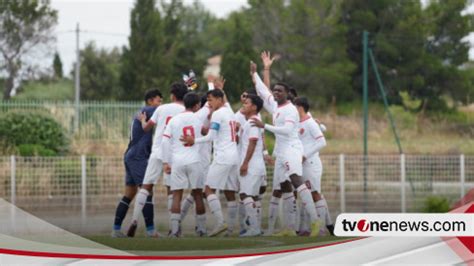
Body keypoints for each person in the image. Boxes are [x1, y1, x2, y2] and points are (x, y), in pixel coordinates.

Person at [250, 54, 321, 237]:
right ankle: (289, 228)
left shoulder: (290, 109)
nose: (275, 93)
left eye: (279, 91)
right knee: (284, 186)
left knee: (296, 180)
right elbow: (263, 92)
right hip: (280, 152)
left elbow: (287, 130)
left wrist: (263, 126)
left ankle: (315, 221)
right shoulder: (275, 106)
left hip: (291, 149)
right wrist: (255, 74)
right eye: (275, 90)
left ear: (287, 94)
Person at [127, 83, 188, 237]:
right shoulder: (185, 111)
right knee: (172, 191)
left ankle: (134, 220)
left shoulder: (161, 108)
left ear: (172, 95)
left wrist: (142, 120)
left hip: (158, 151)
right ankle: (174, 229)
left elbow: (147, 127)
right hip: (174, 154)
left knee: (146, 187)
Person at [181, 89, 240, 237]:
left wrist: (194, 140)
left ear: (220, 99)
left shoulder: (218, 114)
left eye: (211, 100)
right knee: (230, 192)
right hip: (233, 156)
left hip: (223, 157)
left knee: (208, 190)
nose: (209, 103)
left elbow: (211, 136)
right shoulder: (229, 112)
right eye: (208, 100)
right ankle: (230, 229)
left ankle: (221, 223)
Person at [111, 89, 162, 238]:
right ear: (150, 101)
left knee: (130, 193)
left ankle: (116, 229)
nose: (161, 104)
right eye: (159, 100)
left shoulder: (142, 112)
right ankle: (151, 231)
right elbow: (166, 112)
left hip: (131, 154)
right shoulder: (149, 110)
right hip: (138, 156)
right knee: (147, 191)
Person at [161, 92, 207, 237]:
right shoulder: (198, 119)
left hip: (178, 161)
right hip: (194, 160)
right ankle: (201, 230)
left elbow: (164, 141)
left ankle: (174, 231)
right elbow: (207, 134)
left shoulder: (174, 120)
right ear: (196, 105)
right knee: (198, 195)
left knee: (176, 196)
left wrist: (166, 162)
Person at [294, 97, 334, 236]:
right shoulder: (297, 123)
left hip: (311, 164)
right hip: (301, 165)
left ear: (300, 107)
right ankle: (305, 228)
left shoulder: (310, 123)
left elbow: (322, 142)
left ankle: (321, 228)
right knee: (306, 195)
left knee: (315, 194)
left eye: (294, 107)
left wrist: (305, 155)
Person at [237, 94, 266, 236]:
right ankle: (256, 227)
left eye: (247, 103)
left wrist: (245, 163)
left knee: (244, 195)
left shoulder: (253, 121)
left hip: (252, 165)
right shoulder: (251, 122)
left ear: (254, 107)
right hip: (257, 164)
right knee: (253, 197)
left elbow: (253, 142)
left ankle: (254, 228)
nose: (244, 104)